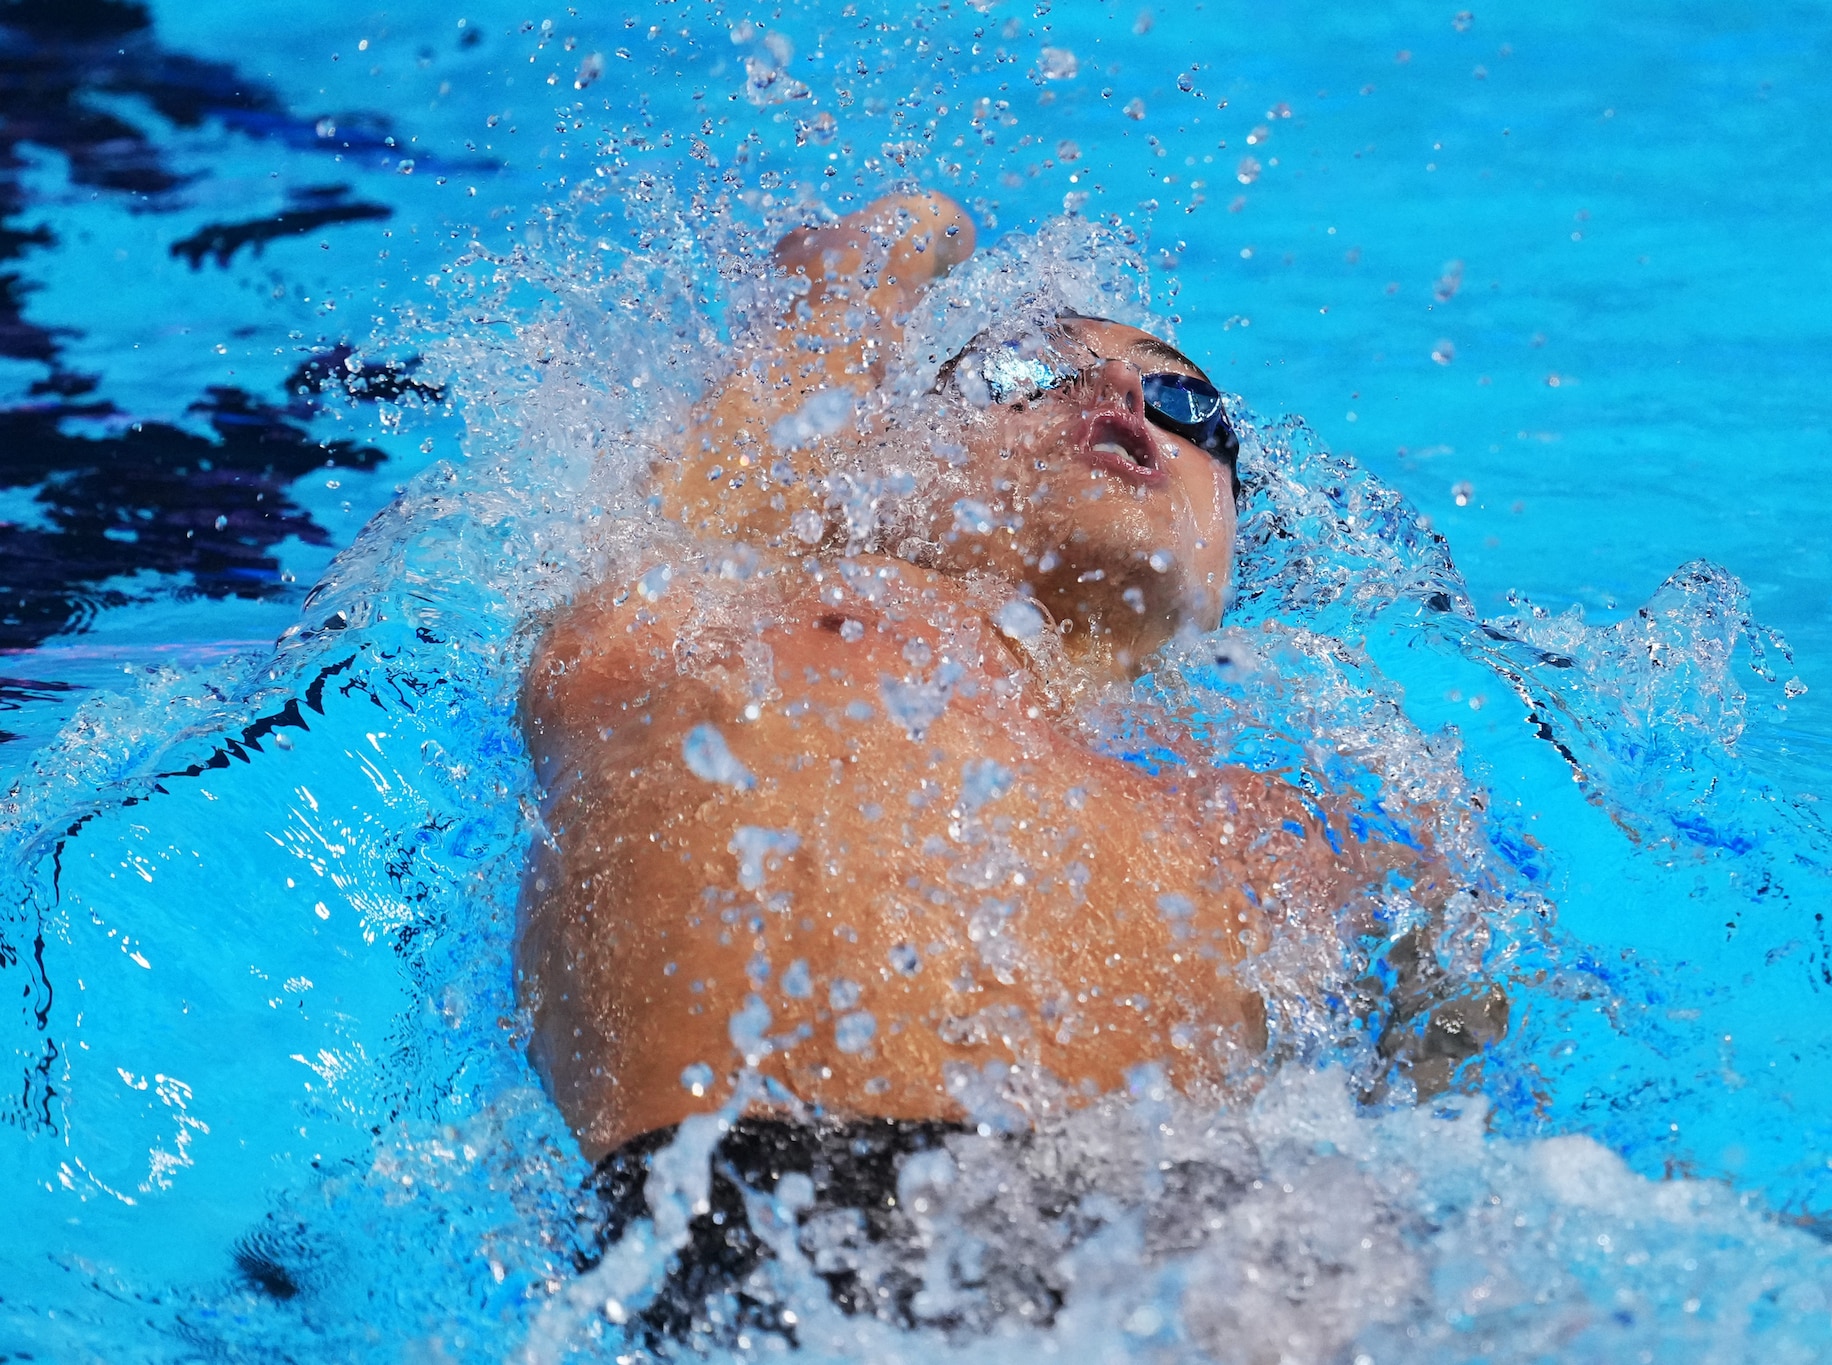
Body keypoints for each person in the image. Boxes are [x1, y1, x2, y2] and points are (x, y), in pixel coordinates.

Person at [514, 192, 1478, 1342]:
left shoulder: (1275, 822)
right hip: (773, 1230)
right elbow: (682, 526)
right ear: (892, 471)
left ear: (1225, 566)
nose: (1122, 400)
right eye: (1024, 375)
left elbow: (1441, 1092)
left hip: (1208, 1258)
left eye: (1184, 404)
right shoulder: (767, 614)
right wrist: (862, 272)